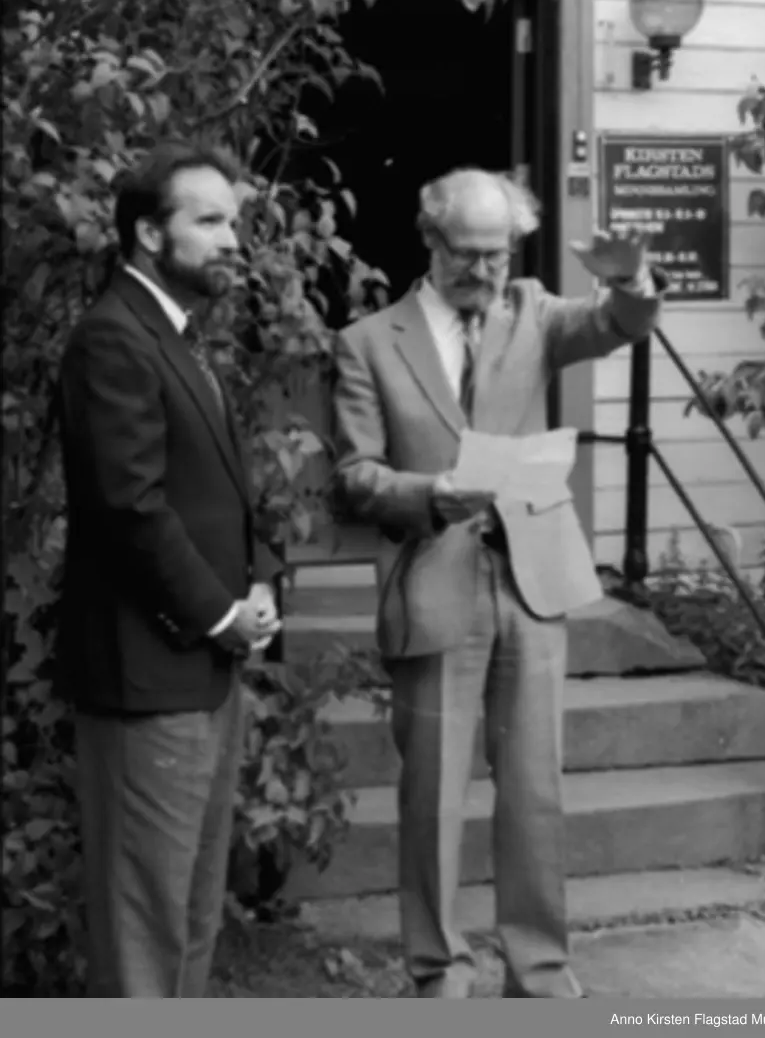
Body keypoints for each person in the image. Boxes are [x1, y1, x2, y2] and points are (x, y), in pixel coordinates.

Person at [332, 167, 667, 998]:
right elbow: (354, 478)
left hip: (531, 582)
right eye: (467, 253)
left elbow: (617, 322)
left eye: (497, 253)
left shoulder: (534, 313)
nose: (483, 270)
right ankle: (438, 973)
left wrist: (629, 279)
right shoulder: (369, 341)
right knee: (432, 798)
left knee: (533, 793)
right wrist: (426, 495)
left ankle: (539, 973)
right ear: (429, 240)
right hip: (433, 578)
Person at [56, 141, 281, 997]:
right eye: (211, 220)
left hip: (201, 671)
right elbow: (130, 508)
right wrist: (221, 614)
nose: (233, 239)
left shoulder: (177, 337)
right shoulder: (112, 339)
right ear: (149, 233)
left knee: (190, 910)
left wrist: (256, 582)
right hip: (146, 673)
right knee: (146, 922)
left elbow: (217, 494)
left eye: (236, 221)